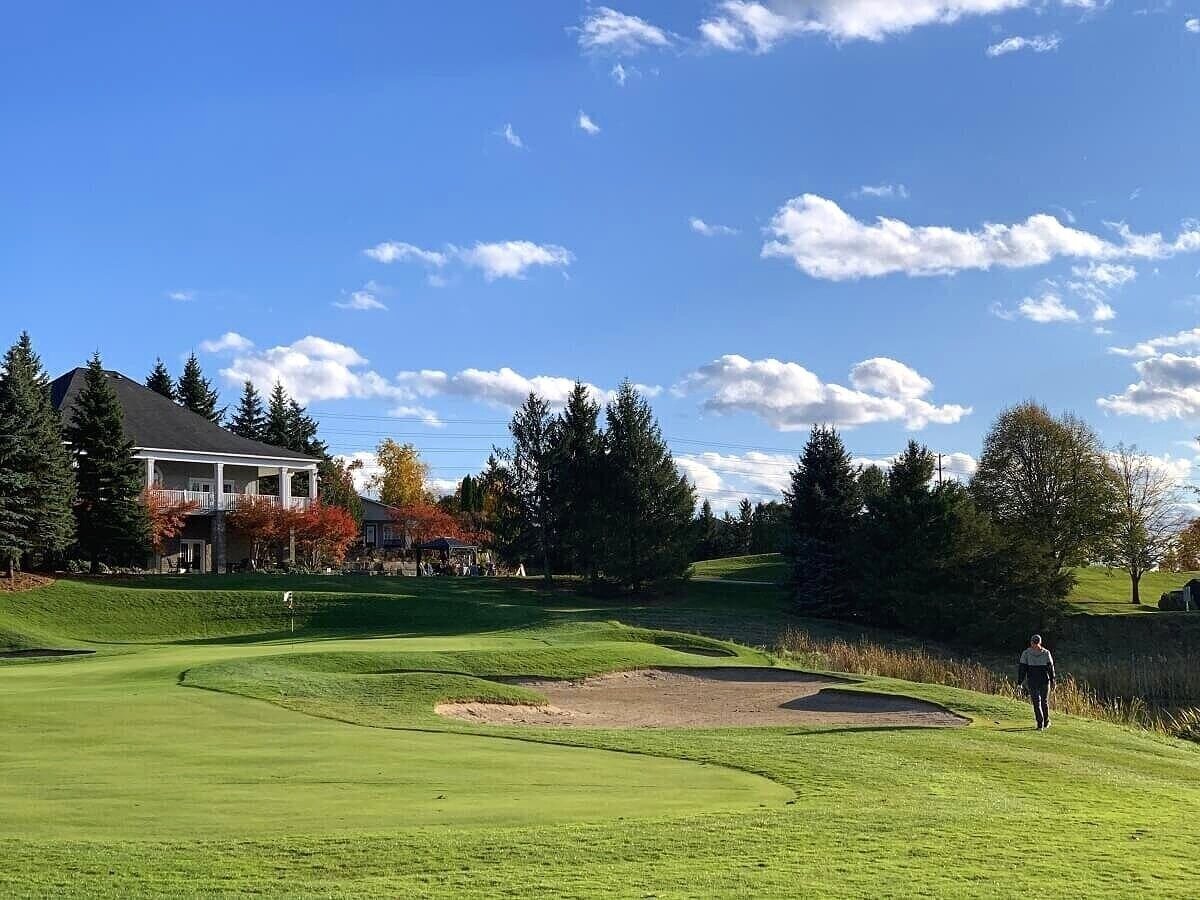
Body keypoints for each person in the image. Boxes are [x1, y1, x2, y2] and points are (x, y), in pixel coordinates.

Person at [1017, 634, 1057, 730]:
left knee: (1040, 702)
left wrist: (1053, 681)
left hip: (1039, 681)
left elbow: (1050, 668)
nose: (1034, 645)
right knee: (1040, 702)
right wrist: (1019, 682)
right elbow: (1023, 669)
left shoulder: (1030, 653)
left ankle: (1043, 722)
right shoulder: (1041, 653)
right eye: (1034, 643)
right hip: (1038, 681)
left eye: (1034, 643)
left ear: (1033, 642)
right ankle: (1042, 722)